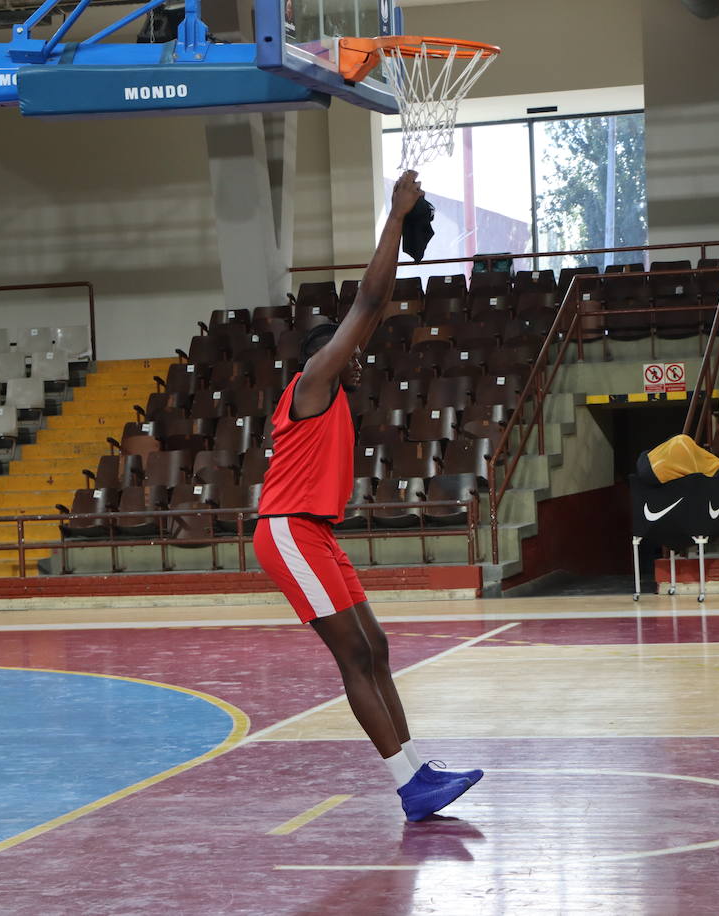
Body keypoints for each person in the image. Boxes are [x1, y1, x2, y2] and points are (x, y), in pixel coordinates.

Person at [253, 170, 482, 822]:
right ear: (327, 355)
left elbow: (371, 315)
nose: (359, 358)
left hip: (315, 533)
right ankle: (407, 786)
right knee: (353, 654)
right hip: (289, 531)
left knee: (375, 647)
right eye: (349, 351)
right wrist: (394, 216)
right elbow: (368, 303)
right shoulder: (314, 379)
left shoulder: (332, 391)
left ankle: (418, 770)